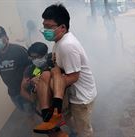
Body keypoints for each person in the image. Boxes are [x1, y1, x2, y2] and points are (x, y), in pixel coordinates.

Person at [34, 4, 97, 137]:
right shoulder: (59, 42)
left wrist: (50, 85)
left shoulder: (67, 45)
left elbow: (74, 77)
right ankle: (55, 120)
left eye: (49, 27)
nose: (45, 30)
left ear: (62, 27)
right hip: (71, 94)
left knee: (84, 131)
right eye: (44, 26)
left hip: (81, 98)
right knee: (70, 121)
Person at [0, 25, 34, 113]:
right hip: (12, 92)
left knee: (32, 111)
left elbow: (32, 65)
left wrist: (28, 79)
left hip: (24, 88)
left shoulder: (19, 50)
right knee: (24, 112)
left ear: (6, 37)